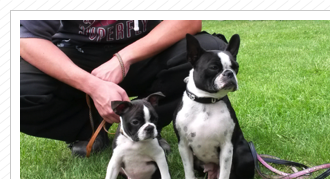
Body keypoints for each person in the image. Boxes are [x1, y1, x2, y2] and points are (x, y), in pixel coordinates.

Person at [20, 20, 228, 157]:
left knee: (211, 56)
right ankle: (89, 127)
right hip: (74, 52)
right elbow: (25, 38)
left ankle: (145, 122)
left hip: (145, 50)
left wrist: (123, 58)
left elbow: (188, 20)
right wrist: (91, 85)